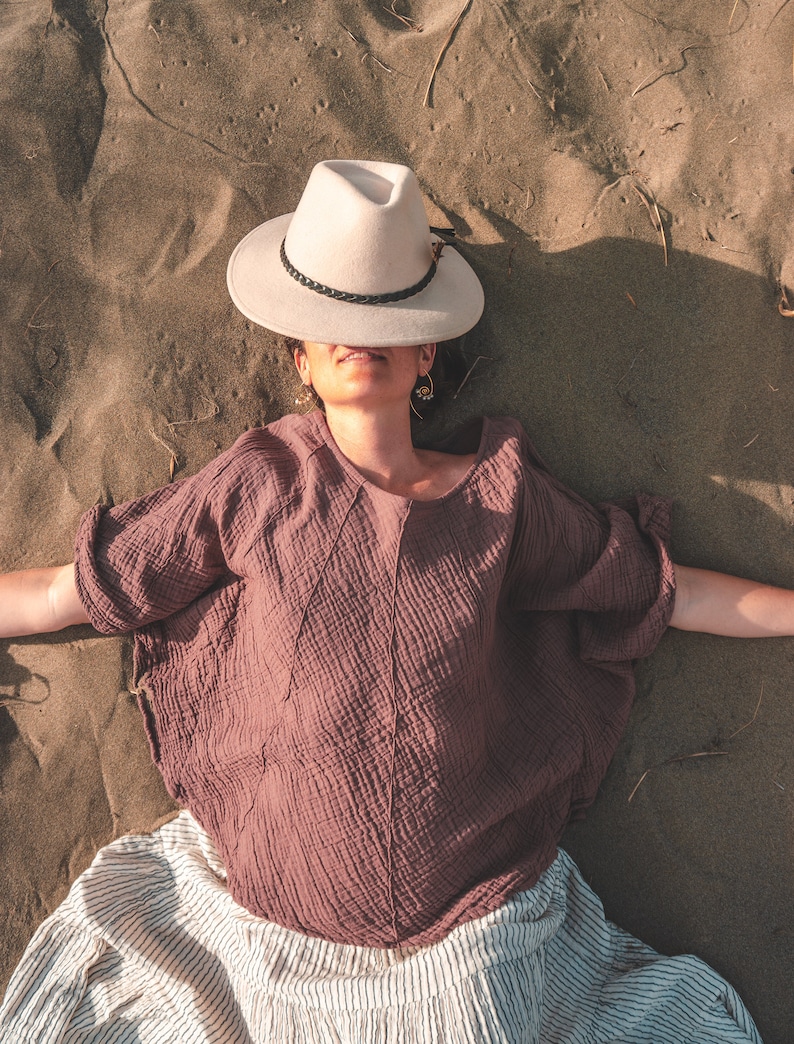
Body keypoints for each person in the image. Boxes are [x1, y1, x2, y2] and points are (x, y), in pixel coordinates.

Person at [0, 159, 790, 1043]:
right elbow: (81, 588)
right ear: (299, 359)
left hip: (471, 929)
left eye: (386, 318)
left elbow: (658, 587)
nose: (357, 337)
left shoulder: (504, 497)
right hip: (267, 926)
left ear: (426, 354)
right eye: (330, 321)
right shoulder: (260, 482)